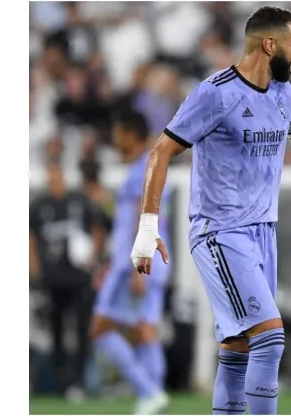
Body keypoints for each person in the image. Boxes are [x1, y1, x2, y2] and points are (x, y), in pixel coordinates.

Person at [129, 6, 291, 415]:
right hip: (220, 232)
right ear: (270, 44)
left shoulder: (284, 95)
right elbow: (161, 152)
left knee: (239, 347)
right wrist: (148, 226)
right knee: (270, 337)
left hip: (262, 234)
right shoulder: (215, 94)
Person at [90, 110, 172, 414]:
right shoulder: (146, 166)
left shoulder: (143, 170)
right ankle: (153, 395)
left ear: (129, 134)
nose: (113, 136)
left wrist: (139, 265)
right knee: (144, 329)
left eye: (117, 130)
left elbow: (147, 219)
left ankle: (148, 392)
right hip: (145, 263)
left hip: (138, 263)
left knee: (100, 327)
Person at [29, 161, 106, 401]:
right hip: (52, 280)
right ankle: (62, 381)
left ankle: (79, 380)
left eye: (56, 176)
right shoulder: (39, 205)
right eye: (50, 176)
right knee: (57, 330)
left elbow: (99, 228)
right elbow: (30, 237)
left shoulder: (79, 202)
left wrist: (92, 255)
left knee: (83, 328)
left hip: (78, 279)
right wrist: (35, 270)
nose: (53, 181)